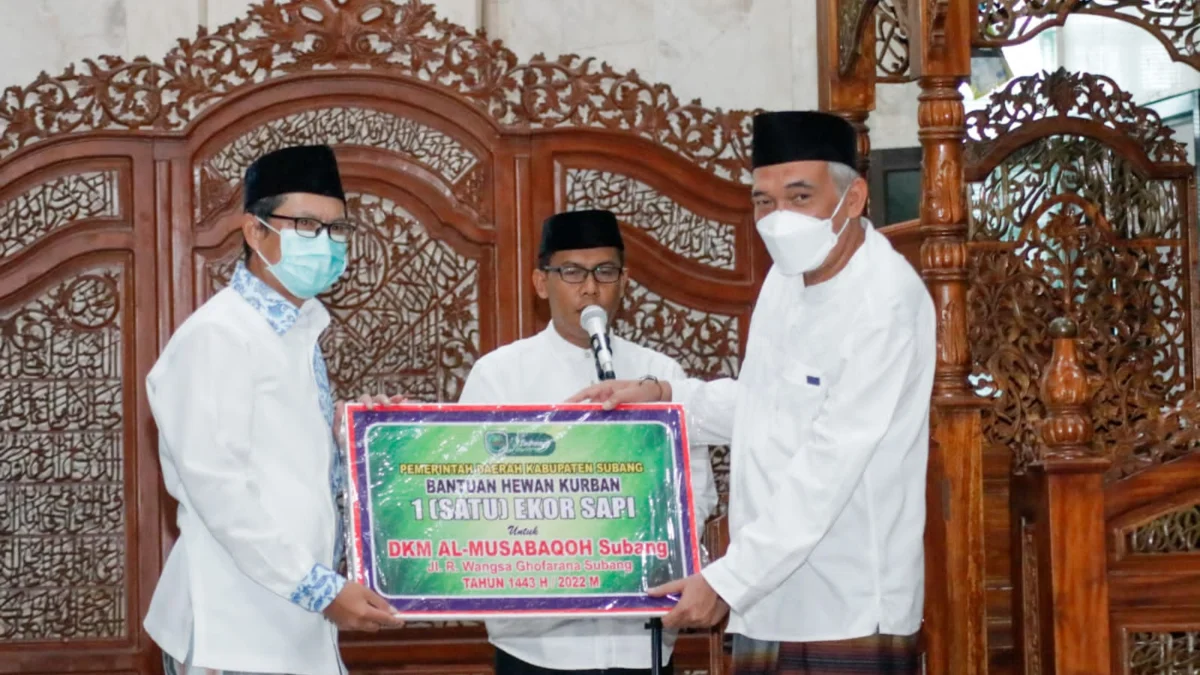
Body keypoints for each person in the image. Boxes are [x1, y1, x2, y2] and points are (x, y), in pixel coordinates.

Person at [569, 112, 937, 674]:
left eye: (799, 195)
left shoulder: (884, 302)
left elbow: (830, 464)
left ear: (855, 196)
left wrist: (726, 580)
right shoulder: (788, 277)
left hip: (848, 603)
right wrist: (666, 398)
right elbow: (766, 404)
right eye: (764, 201)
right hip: (768, 596)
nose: (778, 218)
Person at [144, 144, 404, 675]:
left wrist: (348, 435)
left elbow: (276, 456)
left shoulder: (297, 328)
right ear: (255, 231)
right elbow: (221, 491)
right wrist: (319, 589)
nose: (326, 244)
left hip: (291, 622)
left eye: (337, 229)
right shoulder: (219, 335)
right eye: (306, 225)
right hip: (234, 627)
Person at [459, 208, 720, 675]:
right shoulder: (500, 375)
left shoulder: (659, 374)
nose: (590, 288)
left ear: (624, 280)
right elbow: (478, 498)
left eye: (604, 271)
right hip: (536, 647)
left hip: (643, 640)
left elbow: (695, 491)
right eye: (572, 272)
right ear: (542, 283)